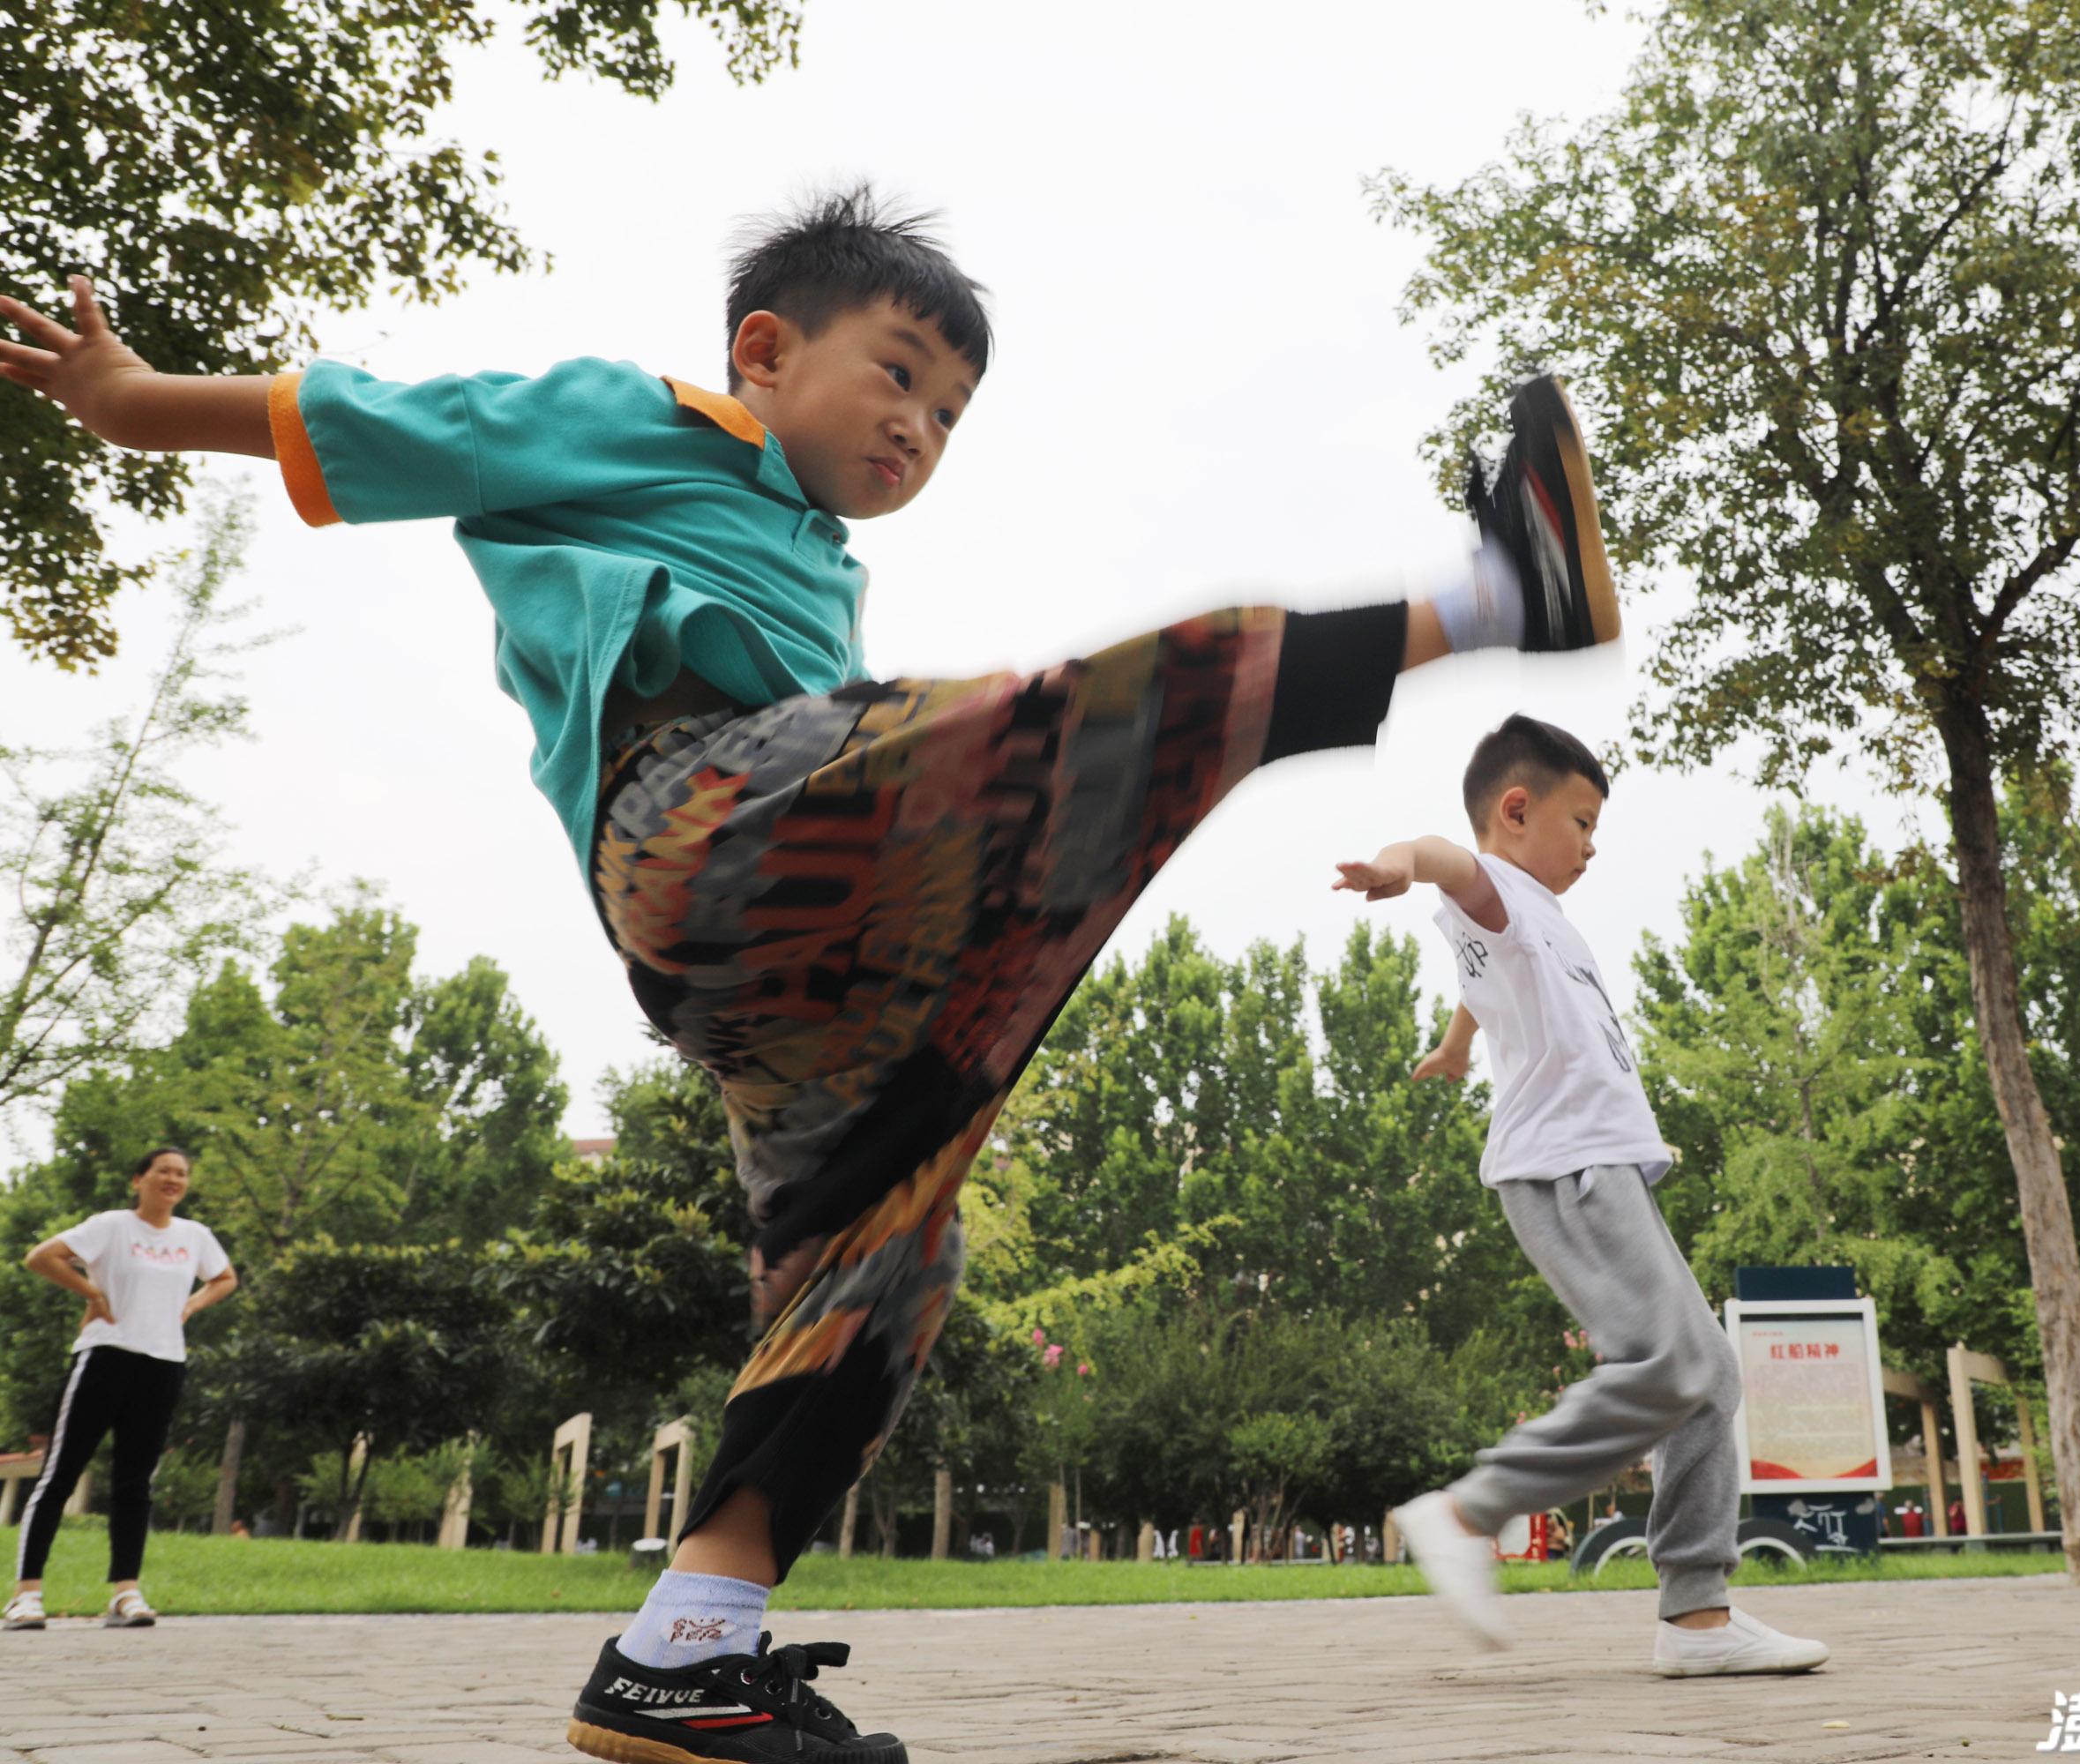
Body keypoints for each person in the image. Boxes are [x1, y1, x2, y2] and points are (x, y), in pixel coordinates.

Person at [0, 186, 1620, 1761]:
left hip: (789, 966)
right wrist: (131, 399)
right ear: (765, 352)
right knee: (1133, 704)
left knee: (883, 1277)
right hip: (710, 819)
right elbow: (358, 420)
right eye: (898, 374)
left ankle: (679, 1662)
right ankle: (1498, 594)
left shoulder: (825, 568)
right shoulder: (627, 421)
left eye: (953, 413)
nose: (919, 426)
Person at [1335, 716, 1829, 1678]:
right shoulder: (1500, 885)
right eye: (1583, 820)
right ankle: (1469, 1509)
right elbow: (1446, 856)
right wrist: (1402, 862)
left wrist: (1458, 1042)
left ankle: (1699, 1620)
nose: (1594, 846)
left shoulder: (1530, 914)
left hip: (1601, 1165)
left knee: (1710, 1375)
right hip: (1571, 1165)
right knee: (1669, 1361)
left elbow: (1492, 982)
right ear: (1517, 810)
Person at [9, 1147, 236, 1632]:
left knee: (136, 1483)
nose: (172, 1180)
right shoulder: (111, 1226)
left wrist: (191, 1307)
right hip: (105, 1355)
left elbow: (225, 1278)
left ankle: (125, 1593)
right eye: (162, 1172)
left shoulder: (195, 1236)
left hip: (164, 1362)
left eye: (181, 1174)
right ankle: (26, 1595)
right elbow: (40, 1257)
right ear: (140, 1179)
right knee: (60, 1474)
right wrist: (92, 1292)